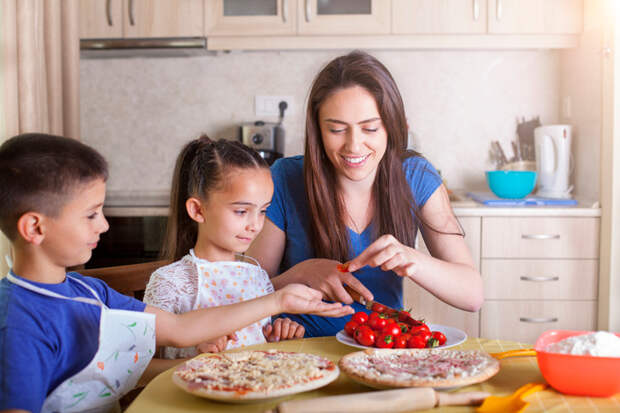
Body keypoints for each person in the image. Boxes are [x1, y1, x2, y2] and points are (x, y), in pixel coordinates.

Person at [0, 133, 351, 413]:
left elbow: (177, 332)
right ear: (35, 227)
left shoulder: (89, 291)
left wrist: (278, 301)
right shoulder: (17, 326)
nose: (104, 225)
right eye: (91, 215)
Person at [247, 50, 484, 337]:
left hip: (379, 350)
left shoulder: (417, 177)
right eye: (336, 130)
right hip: (299, 351)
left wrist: (411, 259)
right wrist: (300, 274)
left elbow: (472, 295)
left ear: (392, 127)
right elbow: (244, 295)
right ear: (317, 131)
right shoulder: (284, 178)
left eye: (370, 128)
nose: (354, 146)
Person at [143, 135, 305, 358]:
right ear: (198, 210)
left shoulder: (257, 277)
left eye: (263, 211)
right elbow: (142, 365)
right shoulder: (171, 283)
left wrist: (276, 336)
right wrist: (194, 352)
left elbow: (254, 343)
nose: (255, 225)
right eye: (241, 211)